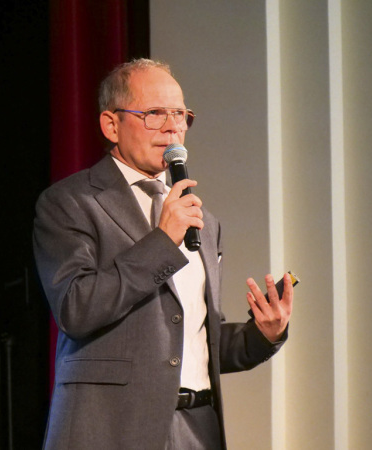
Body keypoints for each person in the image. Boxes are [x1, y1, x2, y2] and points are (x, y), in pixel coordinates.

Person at [33, 58, 293, 450]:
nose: (172, 127)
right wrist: (162, 242)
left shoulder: (202, 221)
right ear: (111, 125)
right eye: (155, 113)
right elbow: (77, 308)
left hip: (196, 427)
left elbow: (193, 340)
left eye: (180, 114)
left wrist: (264, 334)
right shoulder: (71, 202)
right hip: (110, 429)